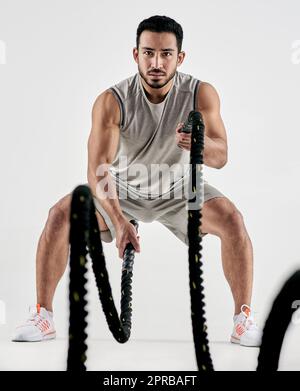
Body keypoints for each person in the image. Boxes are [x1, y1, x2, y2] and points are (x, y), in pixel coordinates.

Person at [12, 15, 262, 347]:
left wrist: (199, 145)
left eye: (166, 54)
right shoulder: (112, 101)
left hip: (178, 189)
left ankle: (242, 320)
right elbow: (97, 167)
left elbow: (222, 154)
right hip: (124, 189)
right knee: (60, 215)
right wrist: (117, 218)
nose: (156, 62)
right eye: (148, 53)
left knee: (233, 220)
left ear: (180, 57)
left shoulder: (201, 94)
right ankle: (43, 315)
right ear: (136, 54)